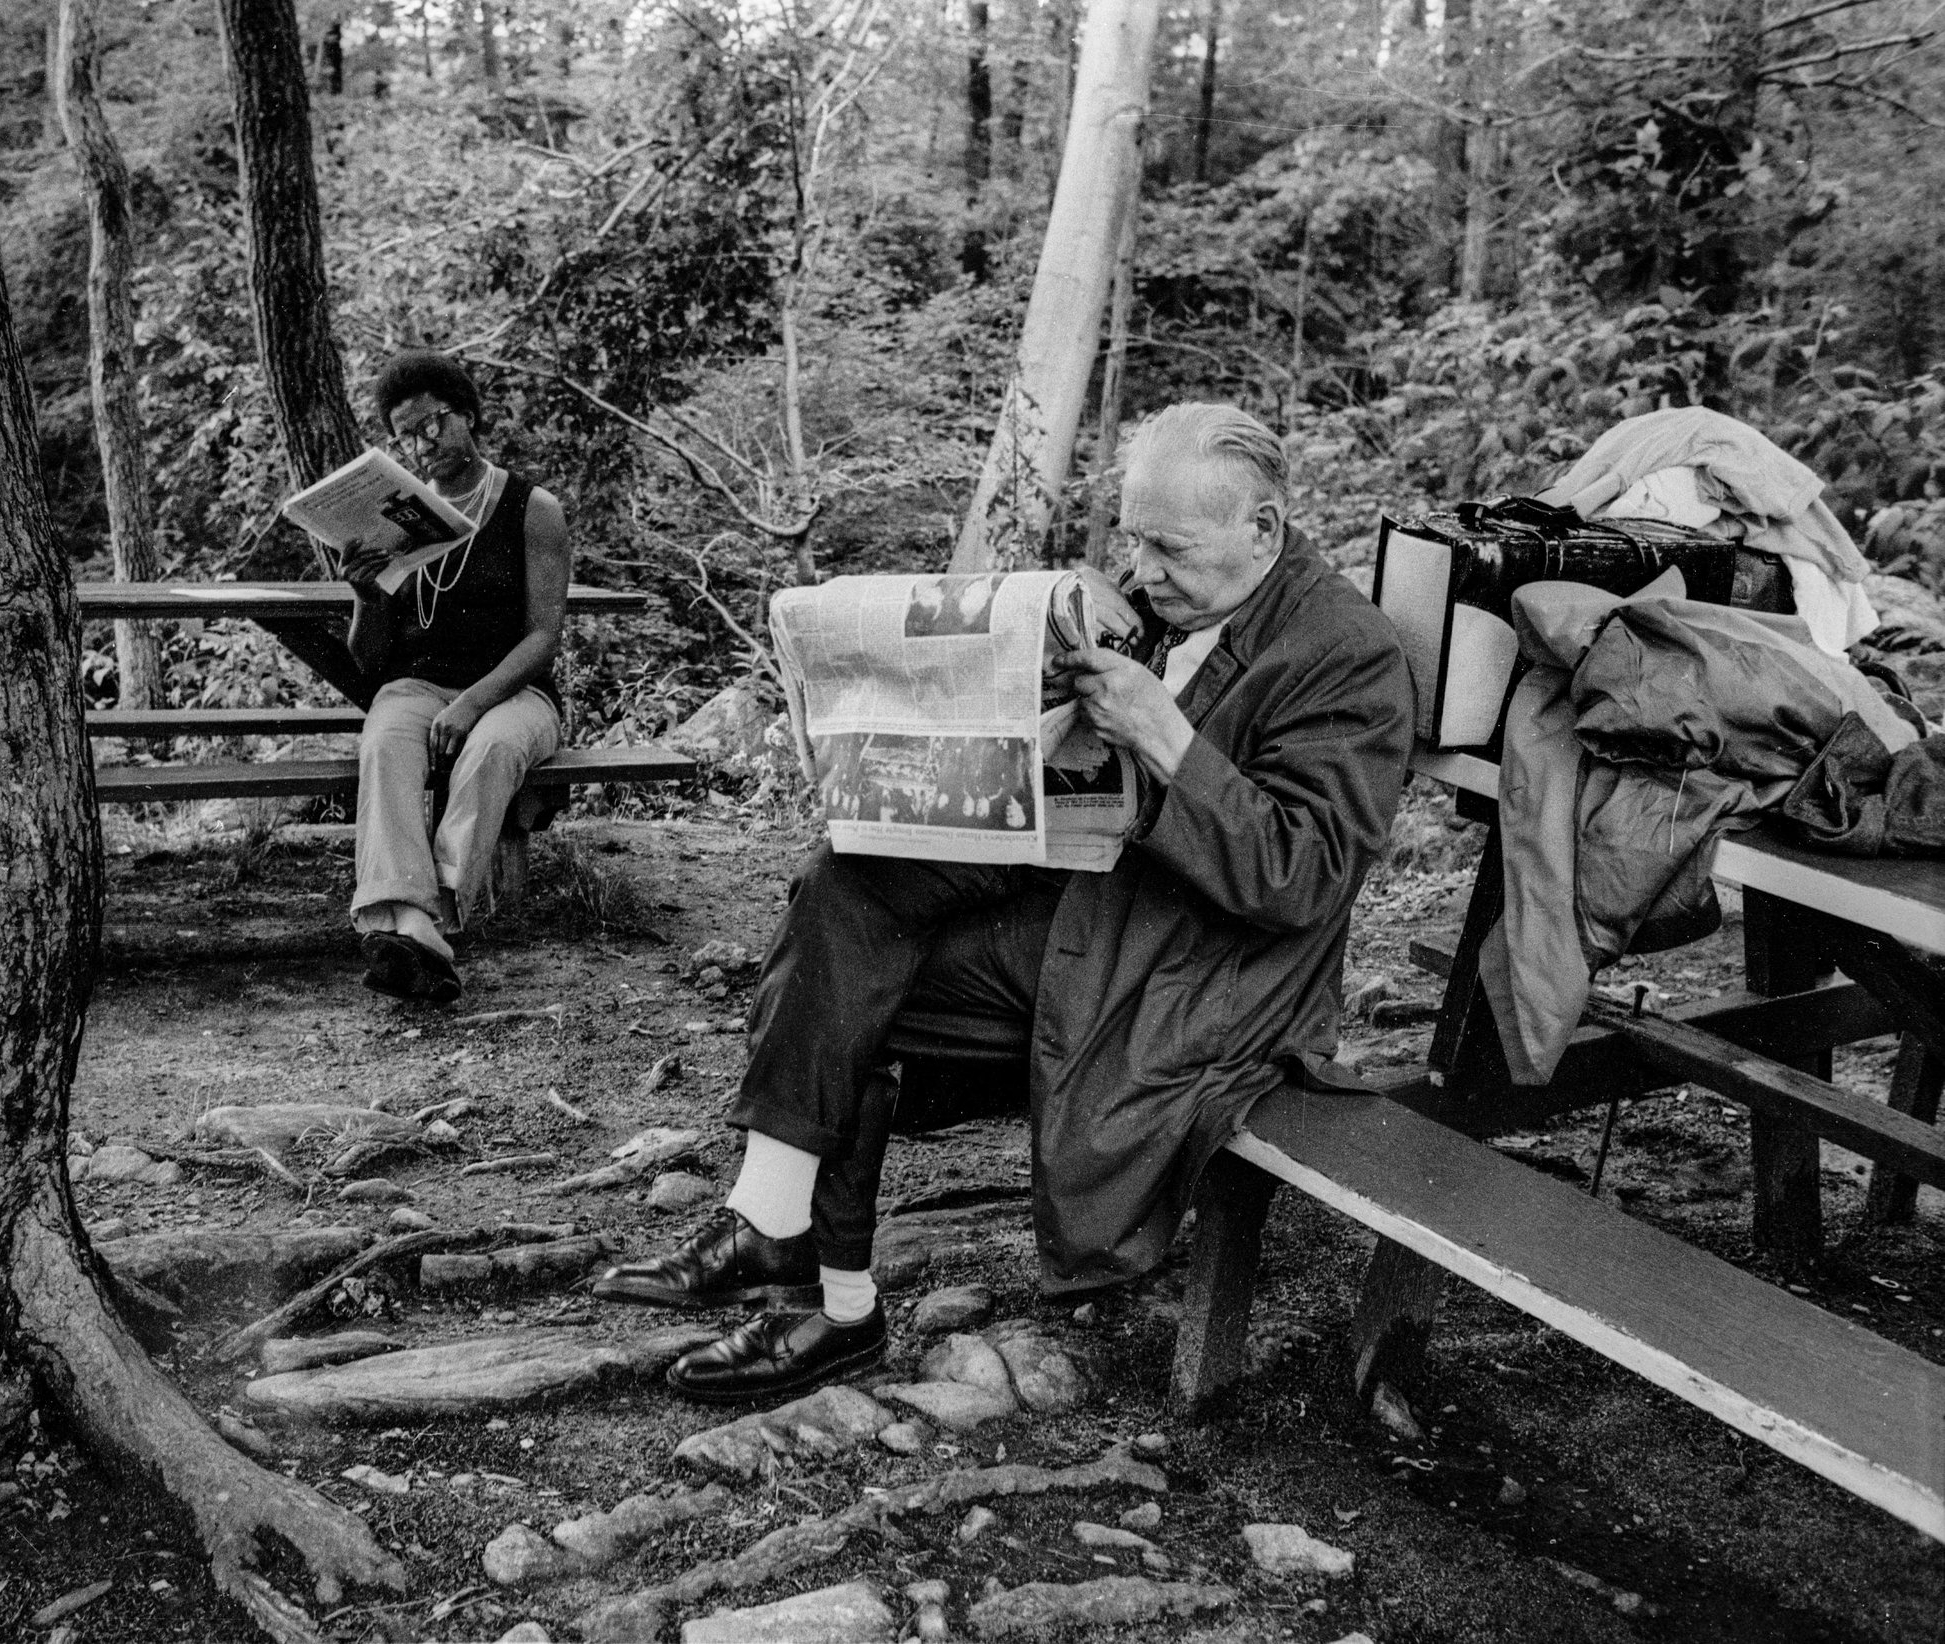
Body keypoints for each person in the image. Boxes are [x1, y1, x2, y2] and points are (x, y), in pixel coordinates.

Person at [592, 402, 1415, 1404]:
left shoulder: (1347, 652)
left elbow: (1304, 877)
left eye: (1171, 549)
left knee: (856, 989)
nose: (1145, 572)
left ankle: (827, 1300)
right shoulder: (1170, 604)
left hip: (1205, 967)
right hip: (1092, 894)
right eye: (1134, 540)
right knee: (846, 874)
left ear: (1267, 529)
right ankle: (775, 1226)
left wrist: (1162, 733)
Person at [342, 351, 571, 1004]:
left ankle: (429, 917)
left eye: (435, 422)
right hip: (416, 687)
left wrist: (472, 703)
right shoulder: (395, 516)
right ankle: (417, 927)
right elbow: (368, 659)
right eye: (406, 434)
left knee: (492, 749)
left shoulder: (533, 508)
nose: (424, 442)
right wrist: (365, 599)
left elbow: (543, 638)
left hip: (514, 691)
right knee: (384, 743)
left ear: (468, 414)